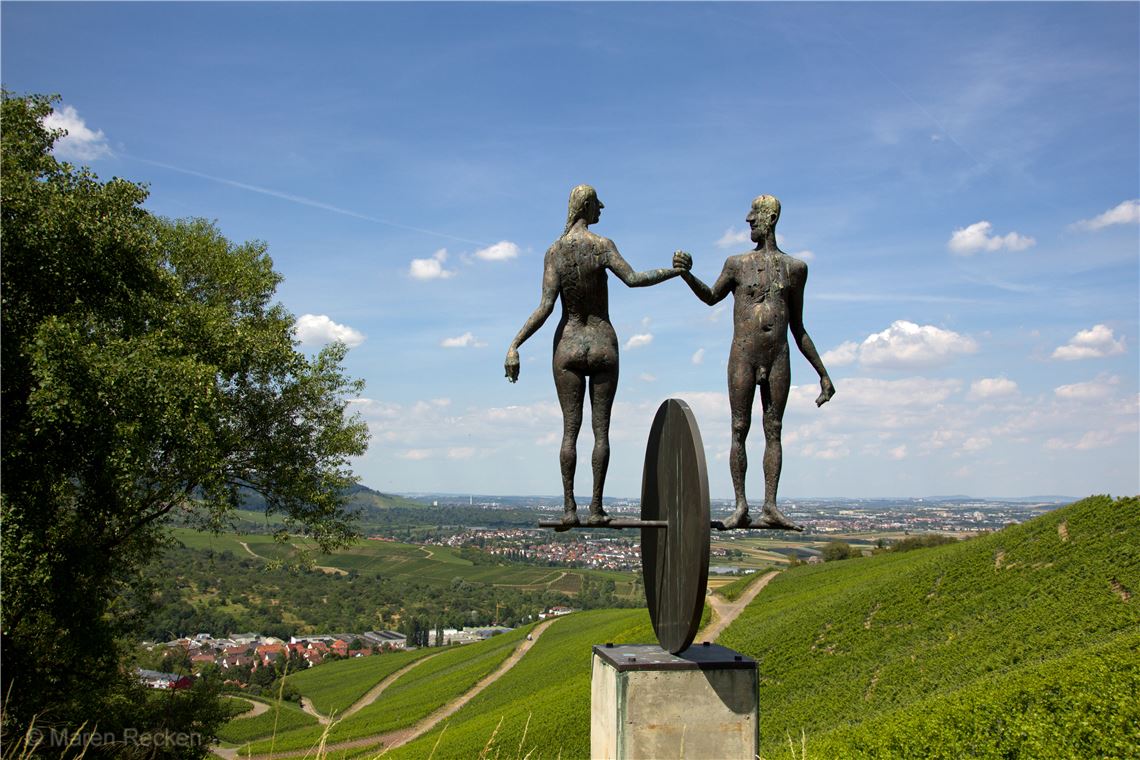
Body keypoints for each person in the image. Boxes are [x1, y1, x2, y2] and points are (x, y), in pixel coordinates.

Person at [506, 184, 683, 529]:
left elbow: (544, 307)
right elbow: (633, 279)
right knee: (601, 432)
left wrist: (515, 344)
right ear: (587, 206)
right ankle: (596, 507)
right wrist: (672, 271)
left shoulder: (554, 252)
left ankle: (569, 507)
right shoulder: (602, 246)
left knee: (569, 432)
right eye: (597, 202)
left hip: (568, 345)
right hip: (602, 344)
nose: (601, 207)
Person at [673, 195, 834, 530]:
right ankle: (741, 506)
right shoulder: (736, 264)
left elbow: (798, 327)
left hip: (778, 356)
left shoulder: (796, 269)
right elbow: (711, 297)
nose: (748, 220)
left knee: (773, 430)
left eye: (754, 216)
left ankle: (770, 506)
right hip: (743, 356)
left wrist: (822, 373)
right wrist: (686, 275)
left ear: (770, 218)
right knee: (739, 429)